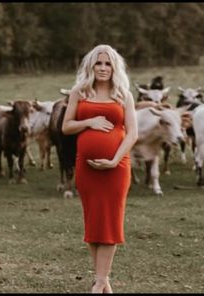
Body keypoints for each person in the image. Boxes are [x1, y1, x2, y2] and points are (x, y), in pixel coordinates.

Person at [62, 44, 138, 293]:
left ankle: (98, 284)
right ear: (91, 66)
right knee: (94, 223)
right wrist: (89, 121)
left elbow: (132, 134)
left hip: (116, 168)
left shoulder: (123, 95)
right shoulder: (79, 92)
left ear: (114, 67)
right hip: (86, 167)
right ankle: (103, 281)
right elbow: (66, 127)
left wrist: (115, 160)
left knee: (110, 223)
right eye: (99, 63)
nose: (103, 68)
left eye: (108, 63)